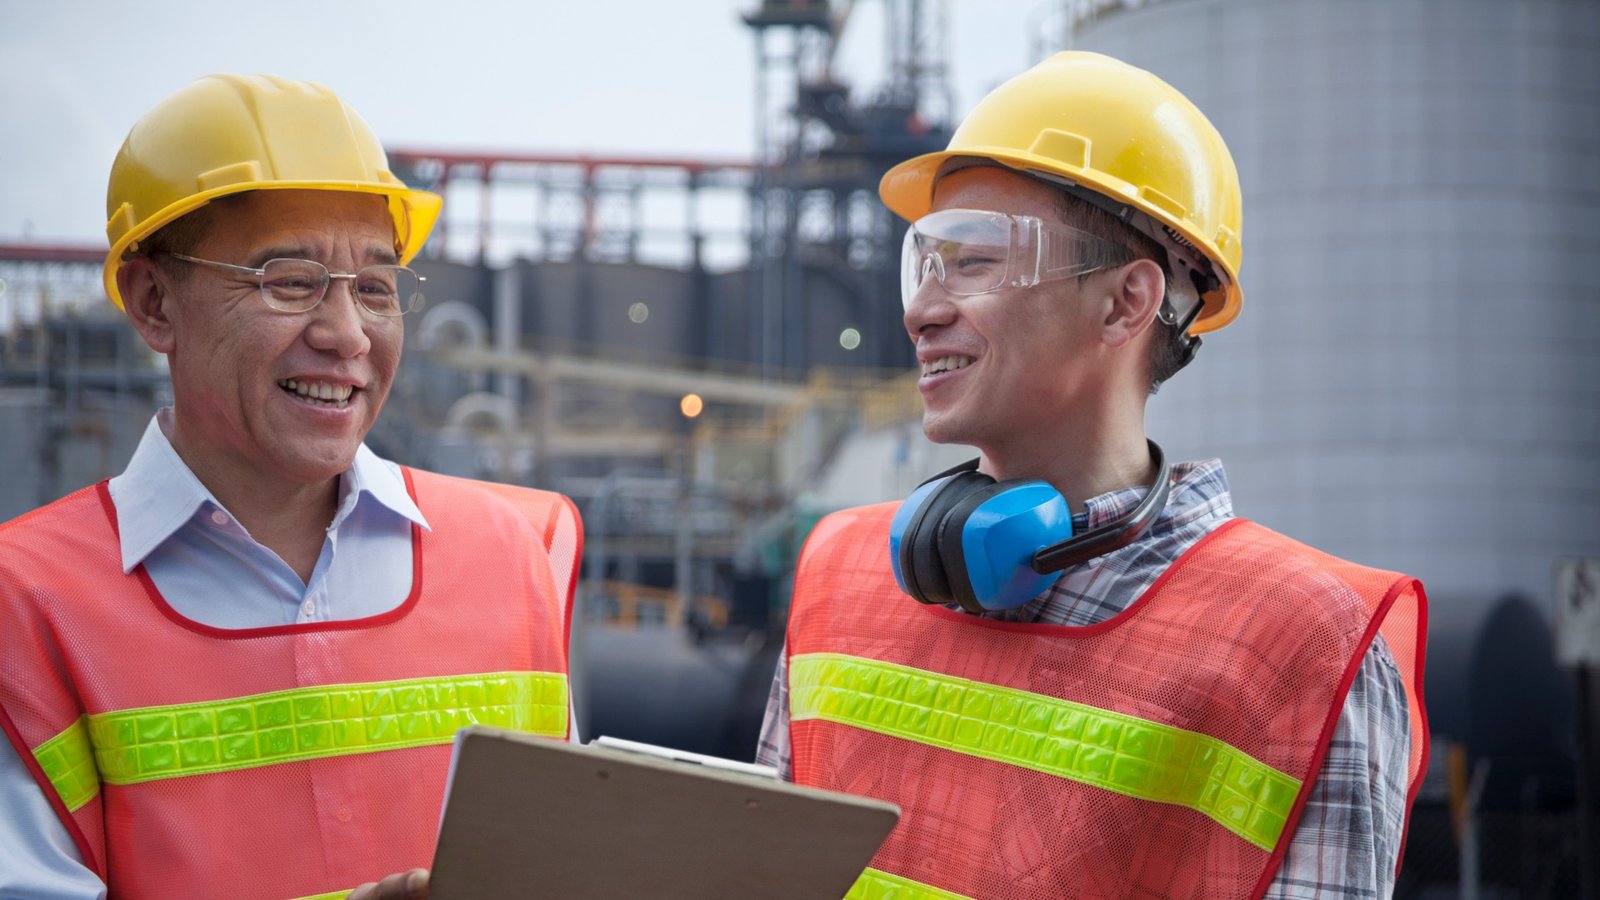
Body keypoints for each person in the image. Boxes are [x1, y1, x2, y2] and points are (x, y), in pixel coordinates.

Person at [756, 51, 1428, 899]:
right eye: (923, 262)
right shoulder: (839, 581)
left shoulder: (1303, 647)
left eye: (973, 260)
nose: (921, 309)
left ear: (1124, 304)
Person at [0, 74, 581, 900]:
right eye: (290, 281)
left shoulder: (510, 557)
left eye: (376, 288)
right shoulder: (28, 606)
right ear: (154, 301)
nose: (345, 335)